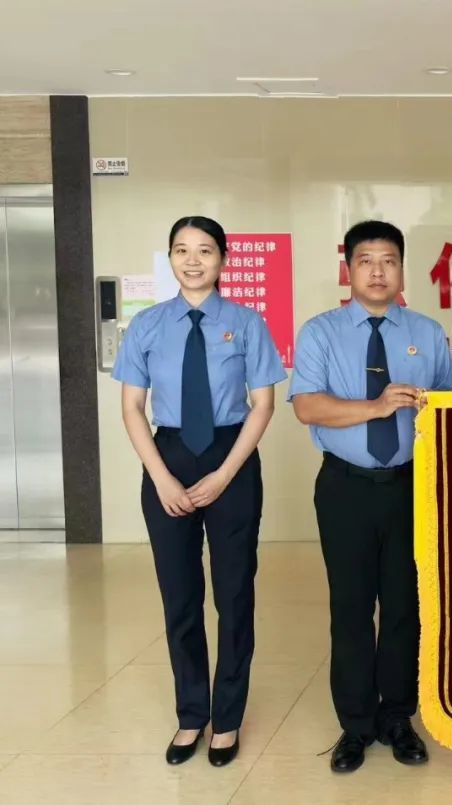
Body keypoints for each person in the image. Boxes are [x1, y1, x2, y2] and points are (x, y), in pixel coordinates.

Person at [112, 216, 286, 768]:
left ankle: (227, 719)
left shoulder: (247, 322)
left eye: (205, 250)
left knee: (234, 594)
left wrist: (225, 473)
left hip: (231, 455)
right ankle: (191, 714)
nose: (193, 260)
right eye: (182, 250)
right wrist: (162, 476)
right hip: (167, 455)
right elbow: (132, 407)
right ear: (170, 258)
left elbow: (263, 405)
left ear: (223, 259)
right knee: (180, 595)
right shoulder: (148, 326)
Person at [289, 220, 452, 773]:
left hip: (411, 486)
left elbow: (449, 409)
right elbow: (307, 406)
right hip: (346, 487)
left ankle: (398, 718)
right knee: (352, 607)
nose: (378, 271)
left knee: (406, 606)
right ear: (349, 270)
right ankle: (356, 725)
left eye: (389, 260)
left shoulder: (428, 332)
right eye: (366, 260)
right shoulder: (321, 332)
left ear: (402, 269)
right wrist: (377, 408)